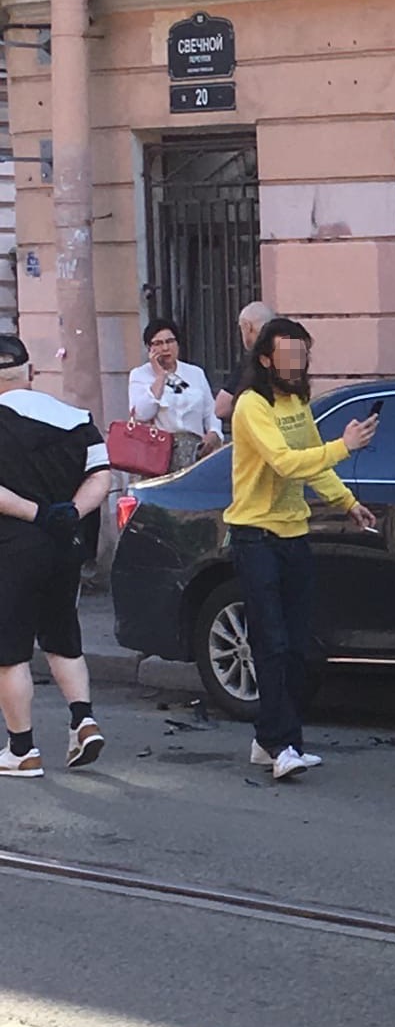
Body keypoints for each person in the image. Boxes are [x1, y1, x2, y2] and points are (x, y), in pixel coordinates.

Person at [226, 317, 377, 781]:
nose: (297, 364)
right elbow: (287, 462)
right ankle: (282, 745)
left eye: (302, 355)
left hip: (293, 535)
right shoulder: (252, 406)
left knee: (295, 647)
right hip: (255, 536)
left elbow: (313, 462)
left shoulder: (297, 401)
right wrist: (344, 446)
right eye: (288, 356)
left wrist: (348, 502)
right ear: (266, 360)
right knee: (270, 643)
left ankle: (266, 738)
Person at [0, 335, 111, 778]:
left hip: (13, 547)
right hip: (66, 547)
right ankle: (83, 720)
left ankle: (22, 749)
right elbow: (102, 474)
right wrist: (70, 514)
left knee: (10, 653)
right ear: (30, 373)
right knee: (62, 636)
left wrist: (38, 514)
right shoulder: (75, 418)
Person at [127, 318, 223, 471]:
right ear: (149, 348)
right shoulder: (140, 375)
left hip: (195, 452)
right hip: (158, 454)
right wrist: (160, 377)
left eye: (170, 341)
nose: (165, 348)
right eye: (158, 343)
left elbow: (211, 411)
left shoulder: (195, 373)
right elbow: (141, 414)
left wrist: (214, 433)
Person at [215, 301, 275, 424]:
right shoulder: (286, 355)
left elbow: (221, 409)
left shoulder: (252, 361)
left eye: (241, 328)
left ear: (248, 327)